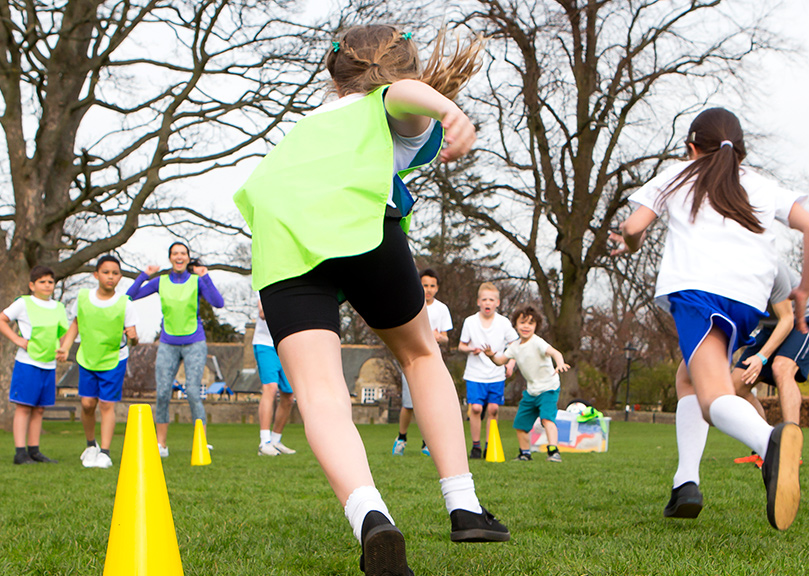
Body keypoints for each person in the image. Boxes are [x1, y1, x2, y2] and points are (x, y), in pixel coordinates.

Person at [233, 24, 509, 575]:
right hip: (359, 227)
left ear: (334, 75)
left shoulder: (307, 125)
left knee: (318, 392)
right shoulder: (384, 106)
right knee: (420, 354)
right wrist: (449, 111)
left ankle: (370, 516)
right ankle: (464, 506)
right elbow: (398, 96)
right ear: (403, 70)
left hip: (282, 238)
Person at [609, 107, 809, 531]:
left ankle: (770, 444)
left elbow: (634, 227)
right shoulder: (762, 184)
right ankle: (684, 482)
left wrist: (630, 244)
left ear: (692, 147)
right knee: (687, 376)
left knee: (711, 400)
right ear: (738, 151)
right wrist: (803, 287)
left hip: (698, 296)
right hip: (747, 302)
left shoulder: (678, 174)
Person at [127, 242, 224, 457]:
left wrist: (205, 276)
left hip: (194, 343)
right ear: (170, 258)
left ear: (188, 258)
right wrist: (144, 275)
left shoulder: (197, 282)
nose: (179, 257)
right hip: (168, 344)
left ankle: (201, 441)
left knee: (192, 391)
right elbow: (130, 296)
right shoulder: (160, 282)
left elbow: (218, 303)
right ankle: (161, 444)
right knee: (162, 393)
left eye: (183, 253)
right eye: (175, 253)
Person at [58, 256, 139, 469]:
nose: (110, 277)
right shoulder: (83, 298)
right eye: (106, 272)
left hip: (114, 359)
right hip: (88, 358)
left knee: (106, 404)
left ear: (120, 277)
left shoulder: (125, 303)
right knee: (86, 404)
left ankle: (104, 452)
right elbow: (75, 324)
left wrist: (133, 335)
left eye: (115, 273)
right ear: (96, 275)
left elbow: (134, 339)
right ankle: (91, 446)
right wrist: (65, 348)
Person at [734, 262, 809, 427]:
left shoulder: (772, 269)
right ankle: (764, 443)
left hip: (805, 319)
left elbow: (787, 320)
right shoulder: (726, 279)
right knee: (736, 386)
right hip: (771, 327)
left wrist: (761, 357)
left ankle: (790, 447)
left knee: (782, 367)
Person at [483, 306, 570, 463]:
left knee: (546, 419)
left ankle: (553, 451)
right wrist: (491, 356)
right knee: (520, 425)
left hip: (548, 388)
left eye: (531, 323)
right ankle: (525, 454)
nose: (526, 326)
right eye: (522, 322)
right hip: (531, 392)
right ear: (515, 325)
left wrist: (560, 364)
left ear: (536, 326)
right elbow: (500, 362)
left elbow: (556, 353)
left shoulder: (538, 342)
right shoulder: (514, 347)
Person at [0, 266, 68, 465]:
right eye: (42, 281)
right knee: (24, 407)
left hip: (49, 364)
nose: (47, 285)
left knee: (39, 409)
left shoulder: (58, 307)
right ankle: (20, 453)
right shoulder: (24, 303)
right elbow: (2, 320)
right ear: (32, 285)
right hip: (27, 363)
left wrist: (63, 349)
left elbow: (62, 332)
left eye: (50, 282)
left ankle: (34, 451)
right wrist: (17, 340)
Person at [392, 268, 453, 457]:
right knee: (409, 404)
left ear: (437, 288)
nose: (428, 289)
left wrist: (436, 336)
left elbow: (445, 338)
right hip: (410, 359)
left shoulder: (442, 309)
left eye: (432, 286)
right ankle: (401, 438)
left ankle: (428, 443)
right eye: (424, 285)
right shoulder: (411, 304)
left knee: (430, 402)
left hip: (431, 361)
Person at [458, 282, 517, 459]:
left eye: (491, 300)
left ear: (497, 303)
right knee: (475, 408)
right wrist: (471, 349)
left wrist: (510, 364)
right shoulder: (470, 322)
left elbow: (515, 345)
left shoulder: (504, 323)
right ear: (478, 302)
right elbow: (461, 346)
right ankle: (475, 447)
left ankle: (490, 445)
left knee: (492, 409)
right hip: (475, 374)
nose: (487, 303)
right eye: (484, 299)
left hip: (496, 373)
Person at [253, 299, 296, 456]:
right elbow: (263, 313)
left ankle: (275, 440)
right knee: (270, 388)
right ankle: (264, 442)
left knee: (289, 395)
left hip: (286, 344)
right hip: (265, 344)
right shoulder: (265, 281)